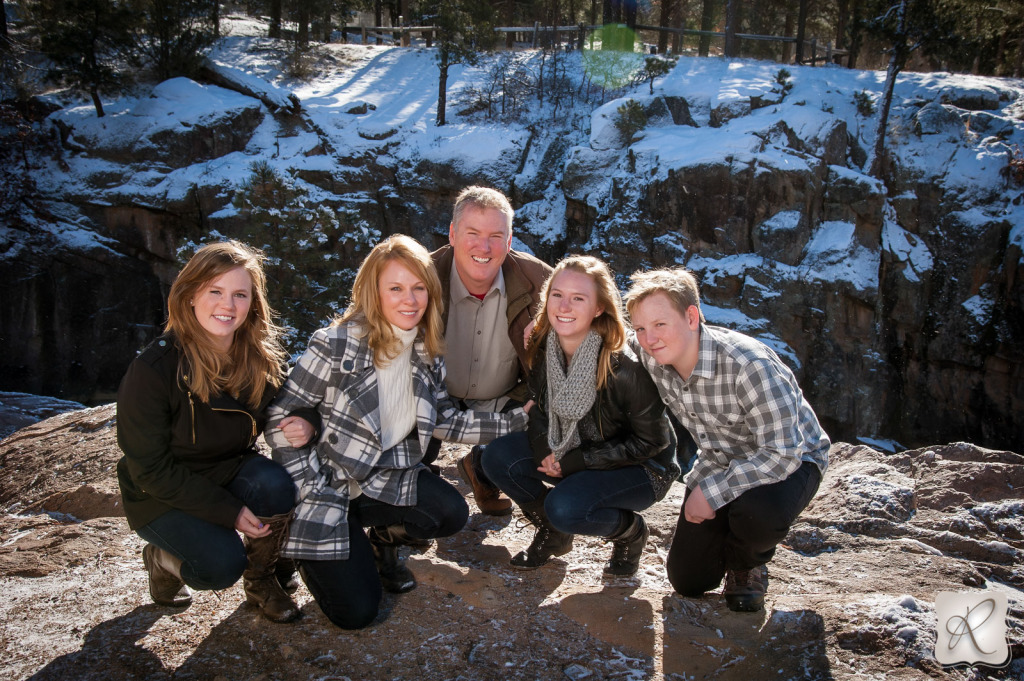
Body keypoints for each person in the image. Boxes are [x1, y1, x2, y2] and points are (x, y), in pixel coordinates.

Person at [264, 234, 531, 630]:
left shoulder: (426, 350)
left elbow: (446, 420)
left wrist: (517, 420)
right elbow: (279, 423)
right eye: (396, 288)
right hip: (324, 487)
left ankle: (377, 544)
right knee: (356, 614)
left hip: (380, 480)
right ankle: (294, 549)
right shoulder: (335, 345)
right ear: (374, 292)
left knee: (449, 512)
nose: (410, 299)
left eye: (419, 287)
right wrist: (308, 491)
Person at [116, 240, 317, 623]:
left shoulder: (256, 357)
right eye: (215, 291)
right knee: (220, 566)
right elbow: (150, 469)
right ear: (190, 294)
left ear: (252, 304)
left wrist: (308, 419)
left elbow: (294, 401)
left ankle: (261, 579)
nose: (228, 305)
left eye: (240, 294)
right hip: (160, 491)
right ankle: (162, 560)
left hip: (226, 468)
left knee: (276, 484)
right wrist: (229, 511)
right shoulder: (153, 369)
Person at [625, 267, 830, 612]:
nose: (650, 338)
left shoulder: (749, 365)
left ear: (692, 317)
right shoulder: (651, 353)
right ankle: (732, 532)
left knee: (757, 514)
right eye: (641, 328)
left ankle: (747, 565)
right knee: (688, 581)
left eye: (660, 324)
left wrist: (711, 493)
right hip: (721, 459)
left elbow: (782, 453)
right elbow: (605, 333)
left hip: (792, 459)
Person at [481, 256, 678, 576]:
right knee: (498, 457)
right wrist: (545, 450)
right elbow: (538, 404)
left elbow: (652, 443)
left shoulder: (626, 368)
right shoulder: (547, 344)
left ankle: (630, 531)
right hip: (575, 447)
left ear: (599, 307)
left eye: (578, 298)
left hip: (642, 469)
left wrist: (575, 462)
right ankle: (554, 531)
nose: (564, 306)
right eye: (557, 295)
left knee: (565, 506)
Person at [427, 186, 552, 516]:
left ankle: (482, 467)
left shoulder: (542, 283)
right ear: (453, 234)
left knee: (552, 428)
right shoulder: (419, 278)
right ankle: (417, 501)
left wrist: (552, 332)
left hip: (508, 397)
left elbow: (595, 330)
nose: (484, 247)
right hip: (432, 397)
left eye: (496, 236)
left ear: (509, 241)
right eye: (473, 233)